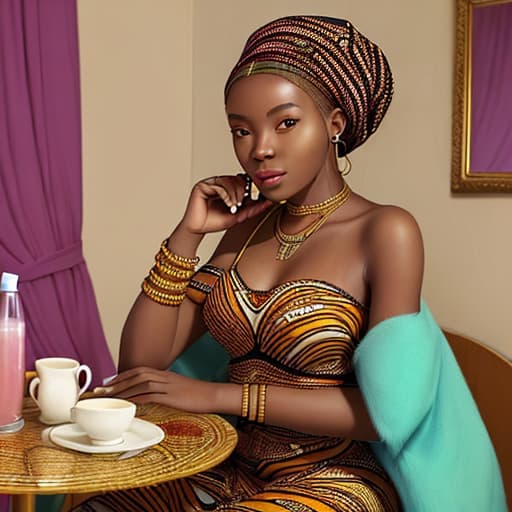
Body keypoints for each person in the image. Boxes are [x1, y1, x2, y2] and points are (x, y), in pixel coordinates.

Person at [75, 15, 506, 512]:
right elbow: (142, 364)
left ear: (335, 124)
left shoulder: (386, 231)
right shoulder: (244, 229)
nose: (259, 148)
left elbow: (390, 414)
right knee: (97, 505)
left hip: (338, 479)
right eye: (241, 130)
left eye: (286, 122)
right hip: (229, 464)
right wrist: (188, 233)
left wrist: (218, 398)